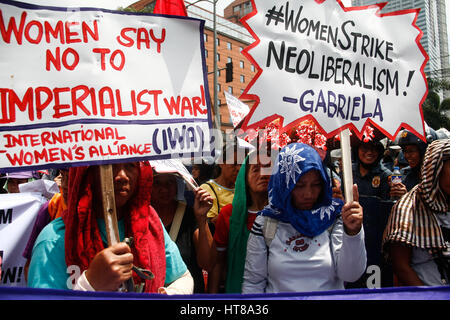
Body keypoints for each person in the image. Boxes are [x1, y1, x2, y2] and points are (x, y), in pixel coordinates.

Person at [28, 162, 193, 294]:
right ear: (86, 174)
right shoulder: (54, 240)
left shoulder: (150, 225)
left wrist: (168, 294)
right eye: (109, 166)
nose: (122, 176)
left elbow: (183, 278)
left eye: (130, 165)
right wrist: (90, 285)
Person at [242, 143, 366, 293]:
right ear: (284, 184)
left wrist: (353, 232)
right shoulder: (266, 222)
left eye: (316, 184)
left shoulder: (335, 216)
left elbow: (351, 274)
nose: (309, 194)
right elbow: (253, 283)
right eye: (299, 185)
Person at [382, 139, 450, 286]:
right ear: (435, 169)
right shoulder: (407, 208)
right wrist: (431, 296)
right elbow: (401, 267)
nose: (408, 155)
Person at [210, 151, 271, 293]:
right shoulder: (228, 215)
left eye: (268, 168)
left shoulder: (284, 214)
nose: (263, 175)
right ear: (245, 176)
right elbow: (218, 262)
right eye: (255, 169)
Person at [151, 171, 214, 293]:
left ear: (177, 185)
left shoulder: (191, 214)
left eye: (169, 182)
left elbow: (208, 263)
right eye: (157, 183)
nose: (164, 189)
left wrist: (202, 219)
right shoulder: (139, 218)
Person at [23, 168, 69, 282]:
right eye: (63, 176)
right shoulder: (50, 208)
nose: (66, 185)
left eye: (73, 177)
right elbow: (30, 266)